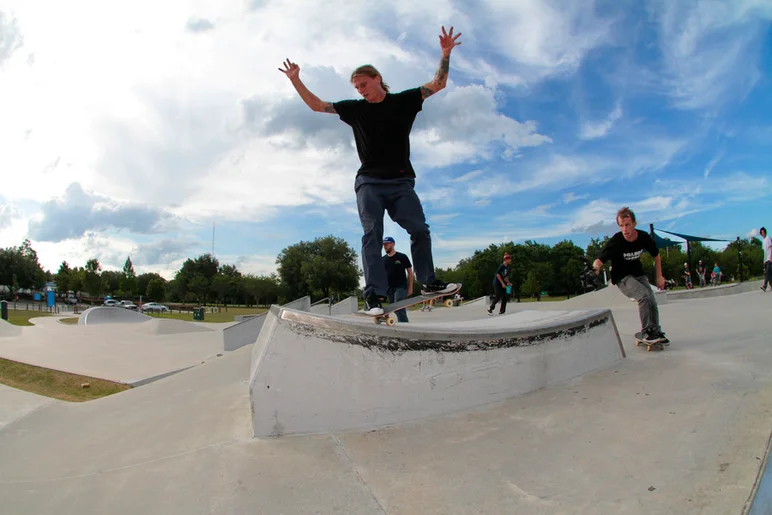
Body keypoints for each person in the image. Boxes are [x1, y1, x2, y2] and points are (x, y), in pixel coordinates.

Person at [279, 27, 462, 315]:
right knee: (372, 234)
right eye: (357, 88)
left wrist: (446, 53)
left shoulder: (405, 101)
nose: (361, 91)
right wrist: (296, 80)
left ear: (378, 79)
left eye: (364, 84)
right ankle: (374, 296)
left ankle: (428, 281)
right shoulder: (355, 110)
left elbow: (438, 83)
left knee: (419, 229)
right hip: (369, 182)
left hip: (402, 182)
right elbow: (317, 106)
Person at [593, 207, 669, 344]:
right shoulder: (616, 241)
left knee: (651, 298)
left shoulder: (643, 237)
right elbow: (599, 260)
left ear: (634, 224)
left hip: (638, 274)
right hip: (622, 277)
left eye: (627, 225)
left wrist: (659, 276)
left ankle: (655, 330)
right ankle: (647, 331)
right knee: (643, 296)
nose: (625, 230)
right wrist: (596, 267)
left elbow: (656, 256)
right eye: (621, 226)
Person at [382, 236, 413, 322]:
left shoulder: (402, 257)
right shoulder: (383, 259)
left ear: (393, 244)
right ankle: (404, 324)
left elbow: (410, 272)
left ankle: (404, 327)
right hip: (389, 288)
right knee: (394, 308)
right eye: (384, 245)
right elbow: (381, 276)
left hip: (401, 286)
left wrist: (410, 287)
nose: (385, 246)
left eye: (386, 244)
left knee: (398, 307)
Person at [760, 227, 772, 291]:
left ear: (765, 232)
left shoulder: (768, 238)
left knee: (767, 271)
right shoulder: (763, 241)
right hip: (766, 258)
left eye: (763, 232)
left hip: (769, 257)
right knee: (769, 272)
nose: (763, 233)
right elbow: (764, 251)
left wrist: (771, 257)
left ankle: (764, 285)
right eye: (761, 232)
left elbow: (771, 247)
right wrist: (764, 260)